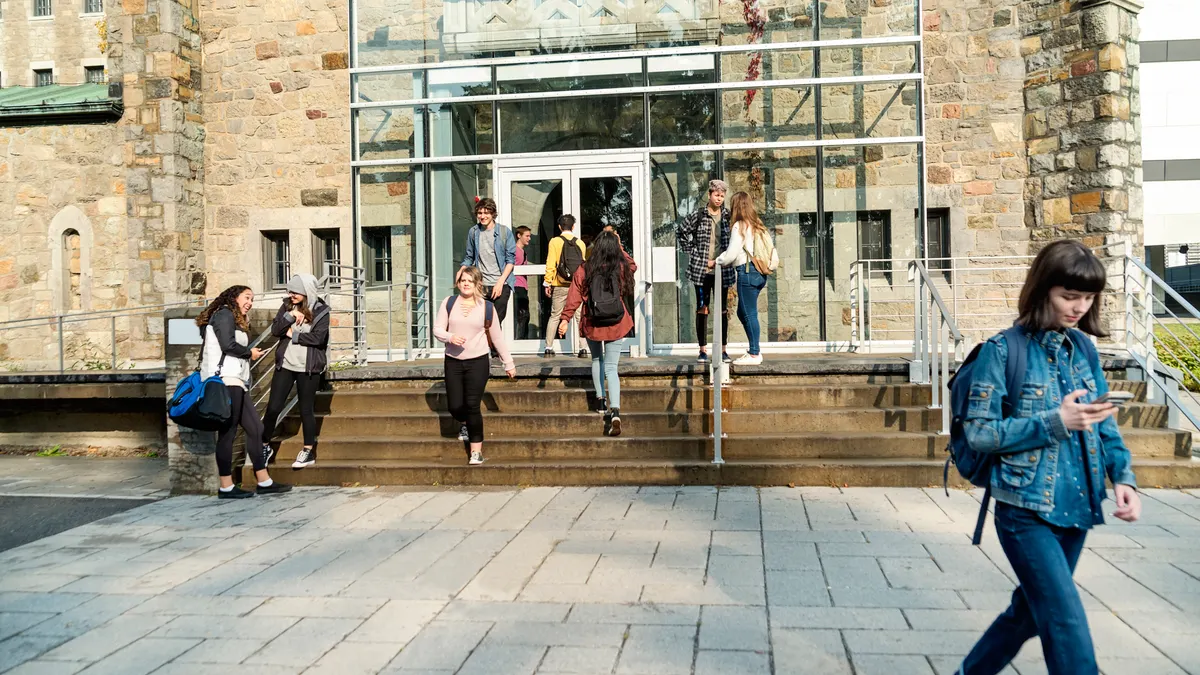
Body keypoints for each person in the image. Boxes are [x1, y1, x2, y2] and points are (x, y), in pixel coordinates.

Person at [954, 240, 1141, 675]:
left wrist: (1124, 480)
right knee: (1064, 616)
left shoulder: (1085, 350)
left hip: (1078, 506)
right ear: (1042, 290)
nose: (1079, 307)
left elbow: (1103, 424)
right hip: (1024, 510)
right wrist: (1055, 421)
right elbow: (979, 434)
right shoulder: (1002, 351)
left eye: (1088, 297)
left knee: (1030, 612)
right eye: (1069, 296)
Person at [195, 285, 291, 499]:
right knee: (228, 432)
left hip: (237, 381)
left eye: (252, 299)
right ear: (234, 297)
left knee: (256, 428)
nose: (250, 302)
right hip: (225, 381)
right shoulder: (224, 314)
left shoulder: (232, 317)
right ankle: (226, 486)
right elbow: (227, 345)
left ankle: (264, 481)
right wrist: (249, 353)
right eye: (246, 297)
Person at [434, 266, 516, 465]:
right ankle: (464, 423)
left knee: (472, 405)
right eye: (463, 280)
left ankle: (476, 450)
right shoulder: (449, 303)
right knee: (455, 406)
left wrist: (508, 363)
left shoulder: (487, 307)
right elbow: (437, 329)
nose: (466, 284)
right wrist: (450, 337)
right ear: (458, 283)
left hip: (478, 362)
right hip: (453, 361)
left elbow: (496, 337)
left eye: (470, 281)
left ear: (478, 283)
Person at [558, 230, 636, 436]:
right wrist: (620, 246)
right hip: (616, 322)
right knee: (612, 367)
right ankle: (616, 411)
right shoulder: (620, 267)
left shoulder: (585, 268)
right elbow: (633, 265)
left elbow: (574, 296)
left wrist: (565, 318)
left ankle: (601, 401)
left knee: (596, 360)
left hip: (593, 321)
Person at [260, 274, 329, 470]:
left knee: (306, 409)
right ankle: (264, 446)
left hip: (308, 367)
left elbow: (318, 339)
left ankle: (308, 451)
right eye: (289, 291)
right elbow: (276, 330)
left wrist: (294, 335)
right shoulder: (287, 306)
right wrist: (291, 316)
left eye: (295, 291)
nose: (291, 295)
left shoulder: (322, 311)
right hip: (286, 365)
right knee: (273, 407)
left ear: (307, 291)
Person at [713, 192, 778, 366]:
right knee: (744, 312)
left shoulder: (740, 226)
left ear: (736, 206)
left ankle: (755, 353)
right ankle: (753, 350)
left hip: (746, 272)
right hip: (760, 273)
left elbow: (731, 254)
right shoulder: (757, 225)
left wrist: (717, 261)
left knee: (749, 313)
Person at [677, 179, 734, 363]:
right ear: (709, 195)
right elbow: (681, 231)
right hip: (702, 271)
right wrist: (694, 252)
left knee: (723, 310)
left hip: (722, 269)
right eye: (716, 195)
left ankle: (723, 350)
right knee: (703, 309)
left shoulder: (727, 216)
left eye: (722, 196)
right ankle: (702, 350)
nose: (719, 199)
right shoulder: (699, 215)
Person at [460, 197, 517, 327]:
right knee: (480, 323)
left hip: (501, 284)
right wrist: (462, 269)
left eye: (486, 213)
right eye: (480, 213)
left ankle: (494, 348)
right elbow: (469, 257)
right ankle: (483, 348)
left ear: (493, 214)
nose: (483, 216)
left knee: (494, 324)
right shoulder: (473, 232)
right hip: (481, 285)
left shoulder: (504, 232)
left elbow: (510, 260)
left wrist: (500, 282)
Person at [543, 214, 588, 358]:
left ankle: (549, 347)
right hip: (578, 286)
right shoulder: (580, 243)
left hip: (560, 284)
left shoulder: (555, 241)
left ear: (559, 227)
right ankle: (583, 349)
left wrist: (547, 282)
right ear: (573, 226)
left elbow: (551, 264)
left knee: (555, 315)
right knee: (579, 316)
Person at [514, 225, 533, 340]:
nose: (529, 238)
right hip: (517, 286)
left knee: (525, 315)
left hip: (523, 286)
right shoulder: (515, 250)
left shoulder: (522, 251)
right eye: (527, 236)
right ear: (519, 236)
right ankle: (520, 340)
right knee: (523, 314)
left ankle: (522, 340)